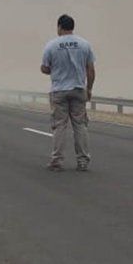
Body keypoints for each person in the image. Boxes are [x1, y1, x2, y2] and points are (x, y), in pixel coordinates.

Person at [41, 14, 95, 172]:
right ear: (72, 27)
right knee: (80, 126)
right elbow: (91, 70)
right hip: (78, 89)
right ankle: (83, 160)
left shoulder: (51, 45)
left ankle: (57, 161)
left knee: (59, 126)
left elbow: (45, 67)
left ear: (59, 27)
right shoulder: (84, 44)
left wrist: (53, 70)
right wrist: (89, 88)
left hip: (59, 91)